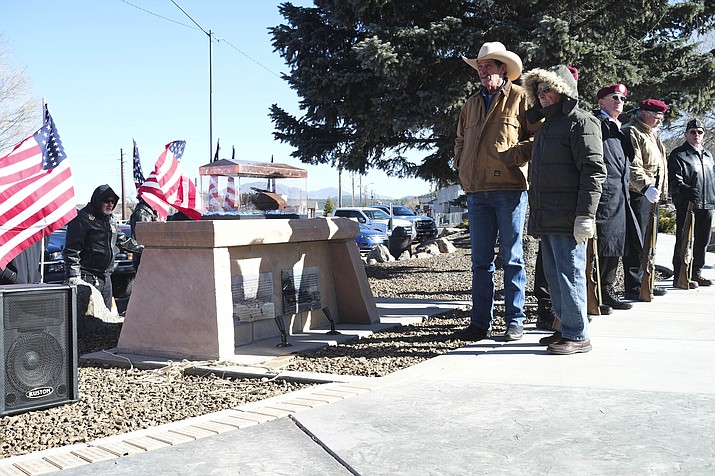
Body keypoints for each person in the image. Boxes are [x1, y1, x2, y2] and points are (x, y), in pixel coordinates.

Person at [452, 41, 540, 342]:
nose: (482, 70)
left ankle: (515, 321)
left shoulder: (521, 98)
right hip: (476, 191)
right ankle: (480, 324)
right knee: (480, 262)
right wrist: (461, 164)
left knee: (513, 258)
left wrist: (513, 157)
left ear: (503, 68)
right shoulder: (471, 103)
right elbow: (460, 140)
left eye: (488, 65)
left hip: (510, 189)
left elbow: (537, 138)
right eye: (479, 66)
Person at [523, 64, 606, 355]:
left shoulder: (582, 122)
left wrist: (586, 214)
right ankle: (564, 328)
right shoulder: (547, 126)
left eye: (548, 89)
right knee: (555, 275)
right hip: (548, 215)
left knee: (570, 273)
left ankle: (577, 334)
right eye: (539, 90)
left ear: (564, 90)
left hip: (569, 215)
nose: (543, 95)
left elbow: (594, 171)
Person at [593, 84, 642, 310]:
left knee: (616, 244)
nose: (619, 101)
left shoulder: (620, 129)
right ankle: (596, 294)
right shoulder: (597, 124)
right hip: (603, 193)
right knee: (602, 244)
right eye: (614, 97)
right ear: (601, 102)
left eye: (622, 98)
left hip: (620, 194)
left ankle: (607, 288)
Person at [64, 185, 143, 308]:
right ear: (98, 200)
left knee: (105, 319)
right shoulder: (82, 219)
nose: (110, 205)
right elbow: (71, 250)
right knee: (87, 319)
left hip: (106, 277)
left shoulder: (110, 220)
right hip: (87, 277)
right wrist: (74, 276)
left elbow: (123, 241)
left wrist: (146, 248)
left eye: (113, 202)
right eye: (106, 201)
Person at [622, 99, 669, 300]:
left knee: (650, 241)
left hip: (652, 195)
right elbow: (633, 165)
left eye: (661, 118)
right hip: (639, 193)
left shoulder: (652, 134)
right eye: (656, 117)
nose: (659, 121)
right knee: (638, 241)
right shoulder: (633, 131)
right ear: (643, 113)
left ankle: (645, 281)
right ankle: (634, 284)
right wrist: (646, 186)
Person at [668, 118, 715, 287]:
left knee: (702, 240)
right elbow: (673, 180)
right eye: (693, 132)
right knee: (683, 240)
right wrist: (684, 189)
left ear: (704, 134)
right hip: (687, 204)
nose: (696, 135)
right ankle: (680, 275)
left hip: (707, 203)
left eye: (700, 132)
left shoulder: (709, 155)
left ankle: (696, 273)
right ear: (686, 134)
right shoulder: (678, 154)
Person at [129, 197, 158, 269]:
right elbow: (143, 240)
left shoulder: (149, 213)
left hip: (148, 257)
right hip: (145, 259)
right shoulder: (142, 213)